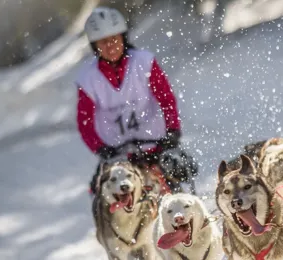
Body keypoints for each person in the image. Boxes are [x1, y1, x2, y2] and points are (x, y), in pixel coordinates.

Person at [76, 6, 197, 195]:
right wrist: (100, 149)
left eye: (114, 39)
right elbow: (85, 123)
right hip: (118, 153)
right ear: (95, 46)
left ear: (123, 37)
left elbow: (166, 99)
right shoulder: (88, 78)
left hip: (156, 144)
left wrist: (172, 129)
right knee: (102, 193)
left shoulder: (144, 62)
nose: (110, 46)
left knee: (178, 183)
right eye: (103, 42)